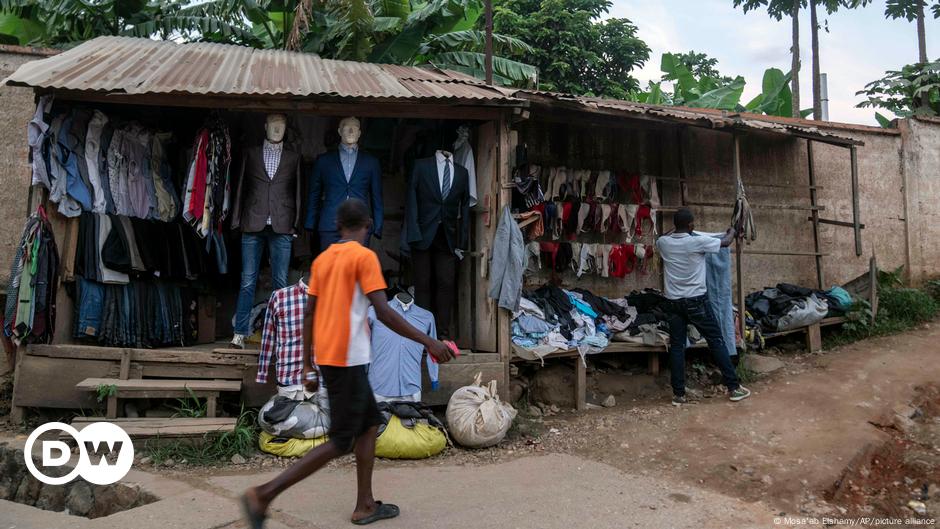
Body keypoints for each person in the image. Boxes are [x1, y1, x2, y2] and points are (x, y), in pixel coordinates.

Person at [241, 198, 455, 527]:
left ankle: (365, 504)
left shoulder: (323, 260)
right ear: (367, 226)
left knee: (368, 425)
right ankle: (264, 494)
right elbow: (383, 312)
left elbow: (310, 313)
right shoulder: (364, 257)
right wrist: (430, 342)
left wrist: (308, 365)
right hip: (348, 361)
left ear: (338, 226)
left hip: (329, 359)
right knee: (342, 440)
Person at [655, 208, 751, 406]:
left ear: (675, 225)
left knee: (677, 347)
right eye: (693, 224)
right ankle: (734, 387)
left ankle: (679, 395)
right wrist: (732, 230)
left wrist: (679, 228)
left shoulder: (663, 243)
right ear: (690, 226)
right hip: (696, 301)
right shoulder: (696, 242)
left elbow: (664, 235)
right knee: (716, 340)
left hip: (673, 303)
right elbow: (725, 243)